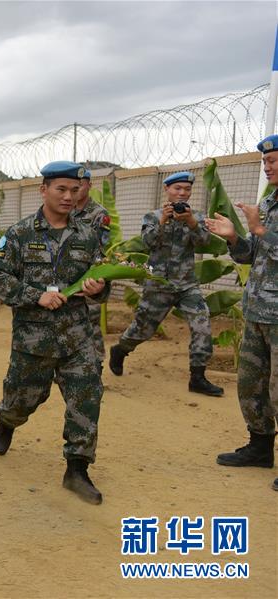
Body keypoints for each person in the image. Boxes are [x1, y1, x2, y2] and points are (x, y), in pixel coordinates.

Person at [0, 161, 109, 505]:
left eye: (75, 190)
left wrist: (98, 288)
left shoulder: (88, 234)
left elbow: (102, 282)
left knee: (86, 396)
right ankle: (7, 420)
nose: (69, 196)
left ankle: (77, 468)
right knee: (23, 399)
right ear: (43, 190)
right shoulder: (19, 233)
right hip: (33, 339)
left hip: (77, 337)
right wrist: (35, 295)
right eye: (61, 189)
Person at [109, 171, 223, 396]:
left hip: (187, 285)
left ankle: (197, 378)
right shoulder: (152, 216)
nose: (182, 193)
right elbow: (147, 242)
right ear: (167, 190)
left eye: (187, 189)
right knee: (143, 329)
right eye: (177, 189)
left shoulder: (196, 217)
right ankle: (120, 350)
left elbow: (205, 242)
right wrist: (163, 220)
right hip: (158, 284)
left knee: (202, 325)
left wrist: (190, 222)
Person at [206, 134, 278, 491]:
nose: (269, 167)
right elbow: (255, 255)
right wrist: (235, 238)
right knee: (252, 385)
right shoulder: (271, 202)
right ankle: (260, 447)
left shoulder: (265, 214)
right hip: (258, 311)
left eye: (274, 161)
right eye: (266, 162)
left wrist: (260, 228)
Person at [71, 169, 110, 368]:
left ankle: (97, 363)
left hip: (88, 276)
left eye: (81, 184)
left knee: (91, 321)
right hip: (65, 276)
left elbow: (100, 251)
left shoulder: (98, 214)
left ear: (89, 186)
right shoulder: (64, 209)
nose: (77, 188)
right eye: (73, 184)